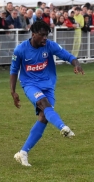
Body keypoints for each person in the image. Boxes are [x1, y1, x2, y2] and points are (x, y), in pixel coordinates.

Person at [10, 21, 84, 166]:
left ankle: (23, 152)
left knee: (44, 117)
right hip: (30, 85)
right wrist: (13, 92)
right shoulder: (20, 50)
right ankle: (63, 127)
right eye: (42, 35)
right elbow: (13, 71)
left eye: (46, 35)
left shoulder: (50, 46)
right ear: (33, 34)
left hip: (48, 85)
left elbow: (68, 56)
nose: (45, 38)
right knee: (43, 104)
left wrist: (77, 64)